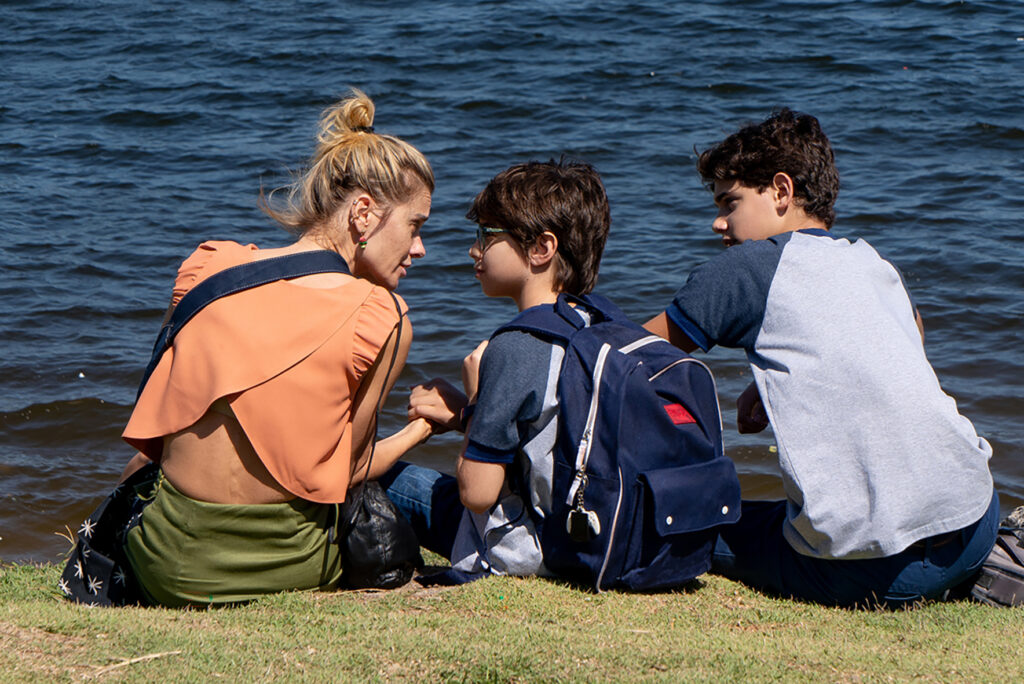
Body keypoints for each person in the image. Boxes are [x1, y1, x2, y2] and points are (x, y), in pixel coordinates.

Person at [643, 108, 998, 607]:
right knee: (774, 514)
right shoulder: (869, 260)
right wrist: (773, 383)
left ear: (781, 192)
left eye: (730, 202)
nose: (718, 221)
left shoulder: (746, 268)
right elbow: (911, 334)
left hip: (873, 571)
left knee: (689, 526)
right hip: (975, 521)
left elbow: (631, 356)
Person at [115, 90, 435, 606]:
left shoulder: (208, 269)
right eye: (415, 226)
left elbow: (163, 431)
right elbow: (350, 474)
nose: (420, 249)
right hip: (283, 564)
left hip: (163, 560)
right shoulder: (381, 316)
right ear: (363, 213)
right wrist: (424, 428)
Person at [379, 159, 612, 582]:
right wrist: (466, 415)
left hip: (531, 548)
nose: (474, 250)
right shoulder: (601, 324)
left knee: (382, 479)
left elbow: (477, 493)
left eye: (487, 235)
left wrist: (474, 401)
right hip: (593, 534)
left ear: (542, 248)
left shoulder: (516, 345)